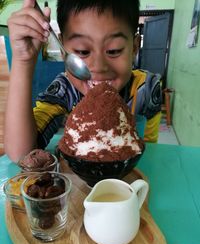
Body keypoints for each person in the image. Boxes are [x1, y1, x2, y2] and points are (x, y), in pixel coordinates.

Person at [5, 0, 162, 163]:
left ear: (135, 47)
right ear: (62, 49)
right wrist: (23, 60)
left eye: (114, 50)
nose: (99, 67)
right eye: (82, 51)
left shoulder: (147, 89)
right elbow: (21, 155)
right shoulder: (64, 90)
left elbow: (150, 154)